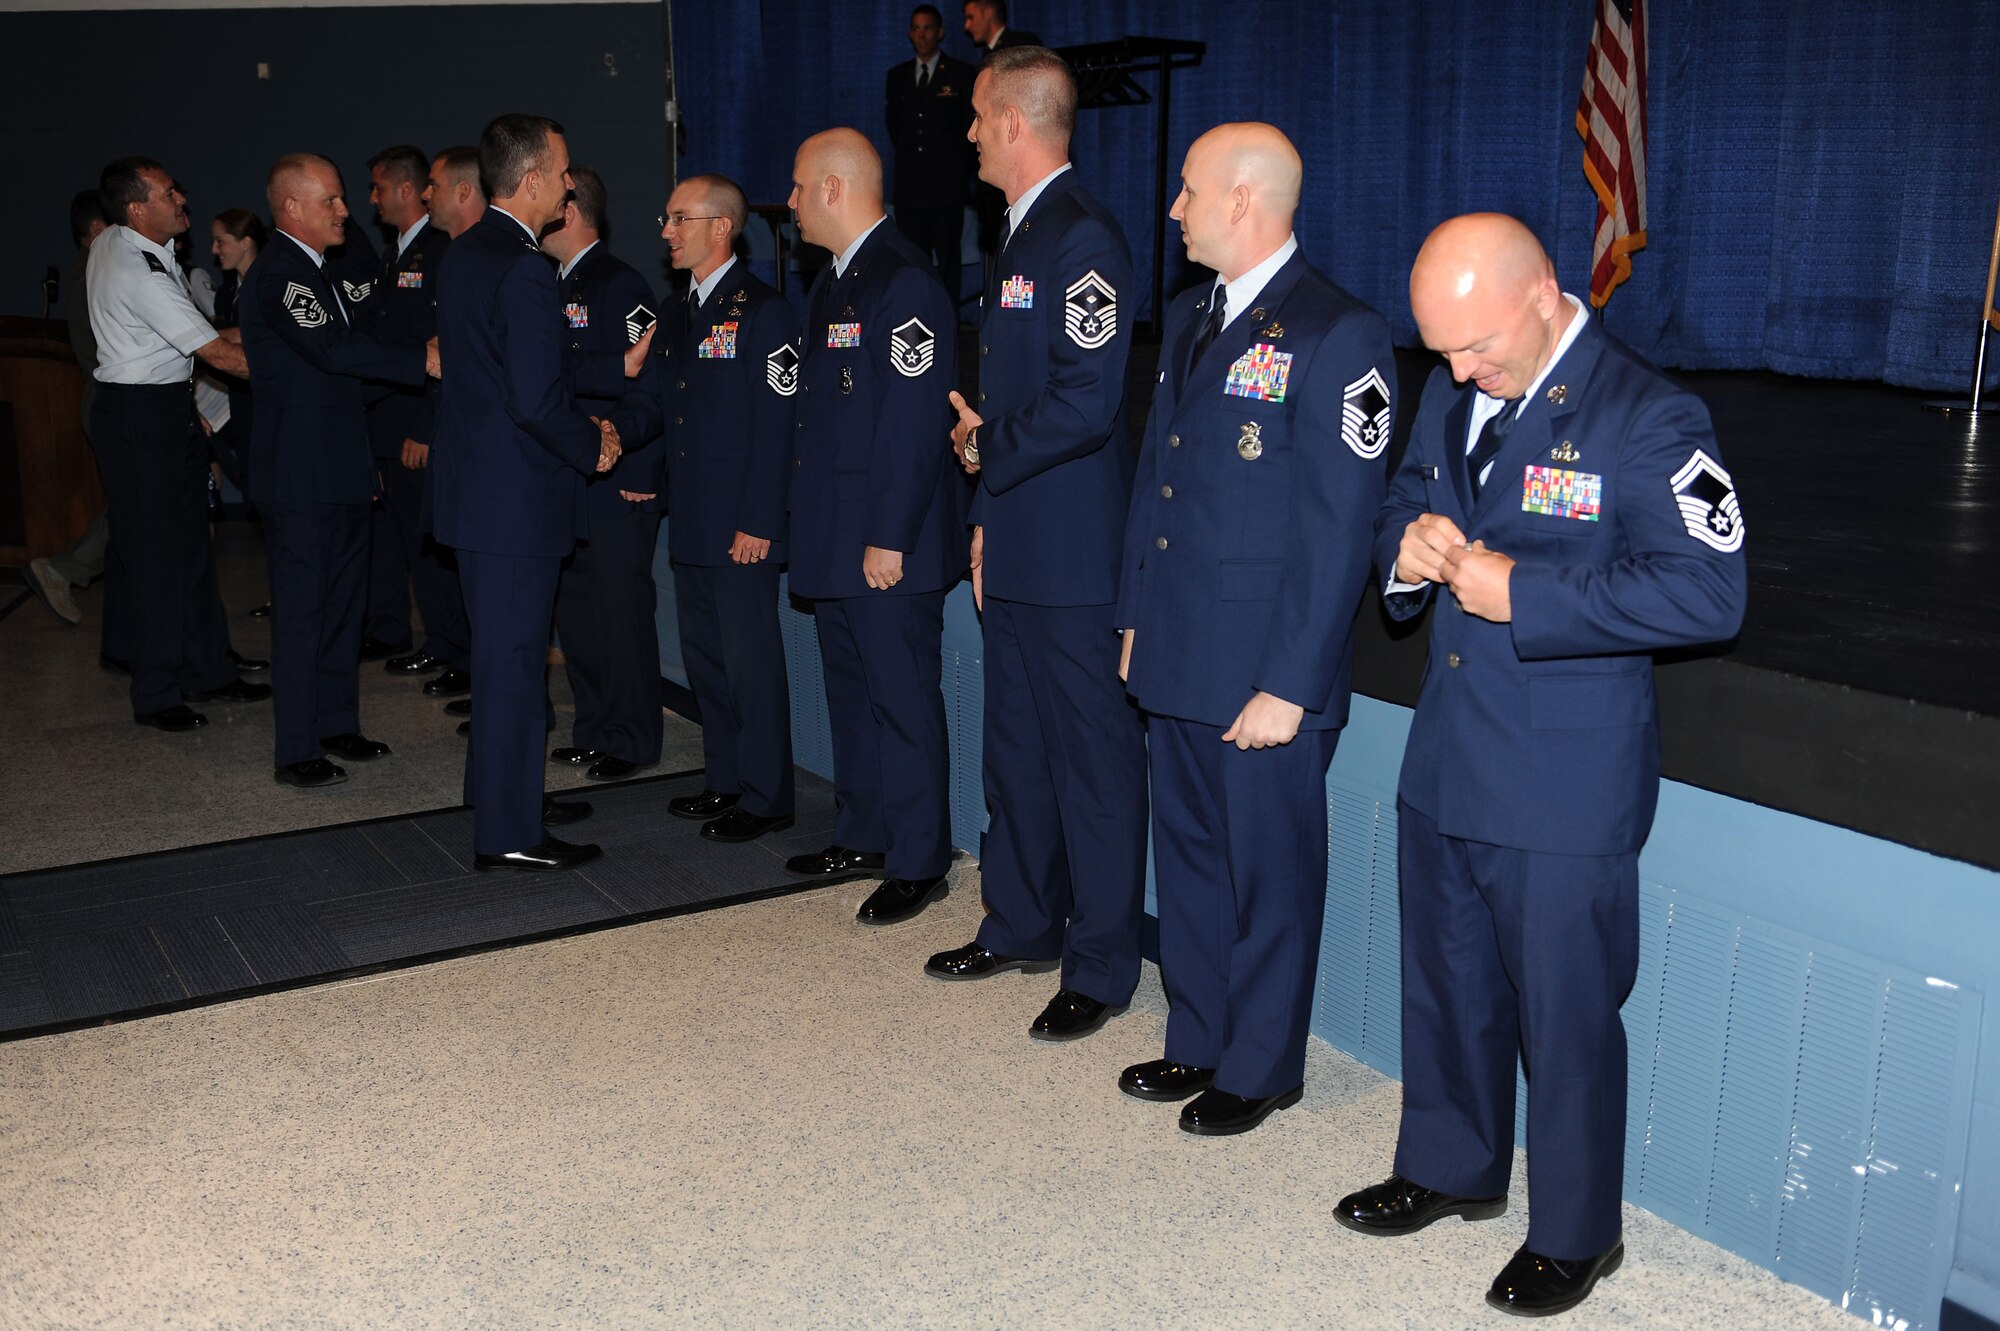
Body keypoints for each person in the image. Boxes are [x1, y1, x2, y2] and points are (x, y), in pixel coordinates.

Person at [1335, 214, 1749, 1318]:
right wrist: (1408, 551)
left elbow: (1710, 592)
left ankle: (1574, 1231)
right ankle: (1449, 1163)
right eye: (1441, 351)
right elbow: (1397, 501)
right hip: (1450, 753)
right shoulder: (1448, 385)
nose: (1458, 370)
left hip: (1564, 777)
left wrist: (1528, 595)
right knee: (1447, 980)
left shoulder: (1649, 416)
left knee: (1562, 1014)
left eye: (1473, 345)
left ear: (1541, 293)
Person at [1114, 124, 1393, 1135]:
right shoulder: (1191, 312)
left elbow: (1337, 528)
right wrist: (1135, 612)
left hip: (1264, 671)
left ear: (1242, 199)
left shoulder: (1337, 332)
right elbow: (1160, 477)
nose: (1175, 209)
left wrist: (1291, 680)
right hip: (1179, 642)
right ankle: (1197, 1033)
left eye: (1187, 192)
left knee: (1268, 874)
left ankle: (1260, 1062)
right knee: (1186, 855)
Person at [926, 46, 1145, 1043]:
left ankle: (1099, 963)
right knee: (1013, 749)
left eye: (977, 116)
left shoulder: (1080, 237)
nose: (968, 132)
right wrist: (981, 521)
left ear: (1015, 123)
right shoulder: (1015, 239)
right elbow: (1009, 402)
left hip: (1071, 554)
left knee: (1089, 762)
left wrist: (983, 448)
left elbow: (1083, 403)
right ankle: (1019, 921)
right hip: (1014, 541)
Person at [430, 114, 636, 872]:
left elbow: (499, 370)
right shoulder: (524, 267)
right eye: (562, 170)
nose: (571, 181)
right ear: (530, 180)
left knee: (498, 658)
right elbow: (535, 398)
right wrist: (598, 446)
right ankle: (511, 833)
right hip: (514, 499)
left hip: (479, 492)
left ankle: (496, 794)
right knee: (516, 664)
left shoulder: (465, 253)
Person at [781, 128, 966, 922]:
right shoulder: (836, 281)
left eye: (796, 188)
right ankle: (864, 829)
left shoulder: (903, 281)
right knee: (852, 693)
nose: (786, 204)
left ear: (832, 188)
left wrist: (888, 534)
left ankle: (920, 857)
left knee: (901, 700)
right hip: (836, 535)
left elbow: (912, 422)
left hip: (888, 543)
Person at [238, 153, 432, 788]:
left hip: (339, 468)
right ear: (291, 208)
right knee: (302, 611)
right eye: (331, 201)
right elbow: (334, 352)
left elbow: (340, 376)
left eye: (344, 198)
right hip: (301, 477)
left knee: (343, 606)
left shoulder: (318, 271)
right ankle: (297, 749)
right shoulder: (281, 277)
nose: (345, 210)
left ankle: (334, 721)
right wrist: (418, 359)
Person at [86, 156, 269, 732]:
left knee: (190, 549)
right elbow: (218, 355)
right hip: (142, 420)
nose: (182, 198)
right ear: (138, 207)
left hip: (161, 408)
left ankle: (207, 670)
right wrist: (306, 370)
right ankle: (158, 693)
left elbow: (188, 340)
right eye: (169, 193)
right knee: (158, 560)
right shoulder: (136, 270)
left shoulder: (118, 240)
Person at [653, 173, 799, 843]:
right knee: (708, 660)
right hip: (694, 518)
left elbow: (777, 425)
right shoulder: (677, 309)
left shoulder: (762, 309)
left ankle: (767, 796)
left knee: (750, 666)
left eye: (680, 219)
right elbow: (672, 411)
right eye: (666, 219)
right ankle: (725, 779)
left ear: (721, 227)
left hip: (742, 523)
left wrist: (761, 521)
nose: (666, 232)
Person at [542, 164, 668, 783]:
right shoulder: (554, 282)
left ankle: (632, 736)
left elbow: (647, 385)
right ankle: (593, 725)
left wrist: (641, 468)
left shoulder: (620, 284)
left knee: (620, 612)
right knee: (579, 612)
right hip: (573, 476)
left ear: (568, 211)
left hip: (620, 480)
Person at [360, 143, 470, 697]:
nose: (372, 201)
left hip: (418, 423)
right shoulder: (395, 252)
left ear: (405, 189)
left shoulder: (441, 251)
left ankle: (456, 646)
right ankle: (441, 640)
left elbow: (442, 351)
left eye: (378, 189)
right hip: (388, 419)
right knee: (410, 540)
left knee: (434, 541)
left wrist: (425, 426)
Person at [23, 191, 115, 629]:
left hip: (102, 393)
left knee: (138, 499)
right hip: (110, 396)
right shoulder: (97, 270)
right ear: (96, 229)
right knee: (139, 500)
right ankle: (64, 568)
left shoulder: (91, 268)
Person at [885, 4, 976, 306]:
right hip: (910, 187)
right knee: (913, 258)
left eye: (927, 27)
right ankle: (918, 312)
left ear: (940, 32)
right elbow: (895, 128)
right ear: (910, 34)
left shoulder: (961, 74)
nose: (921, 34)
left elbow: (967, 127)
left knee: (949, 257)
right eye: (916, 28)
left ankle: (947, 314)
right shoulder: (896, 76)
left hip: (947, 186)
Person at [961, 0, 1042, 279]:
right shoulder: (985, 54)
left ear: (988, 11)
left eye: (971, 17)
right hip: (992, 178)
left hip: (1020, 169)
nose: (966, 26)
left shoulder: (1022, 46)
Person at [204, 207, 265, 511]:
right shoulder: (227, 293)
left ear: (246, 242)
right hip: (239, 402)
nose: (215, 251)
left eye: (221, 241)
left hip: (269, 402)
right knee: (252, 486)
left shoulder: (271, 285)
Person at [423, 146, 487, 241]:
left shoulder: (492, 254)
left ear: (463, 192)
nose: (425, 195)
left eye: (434, 186)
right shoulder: (437, 251)